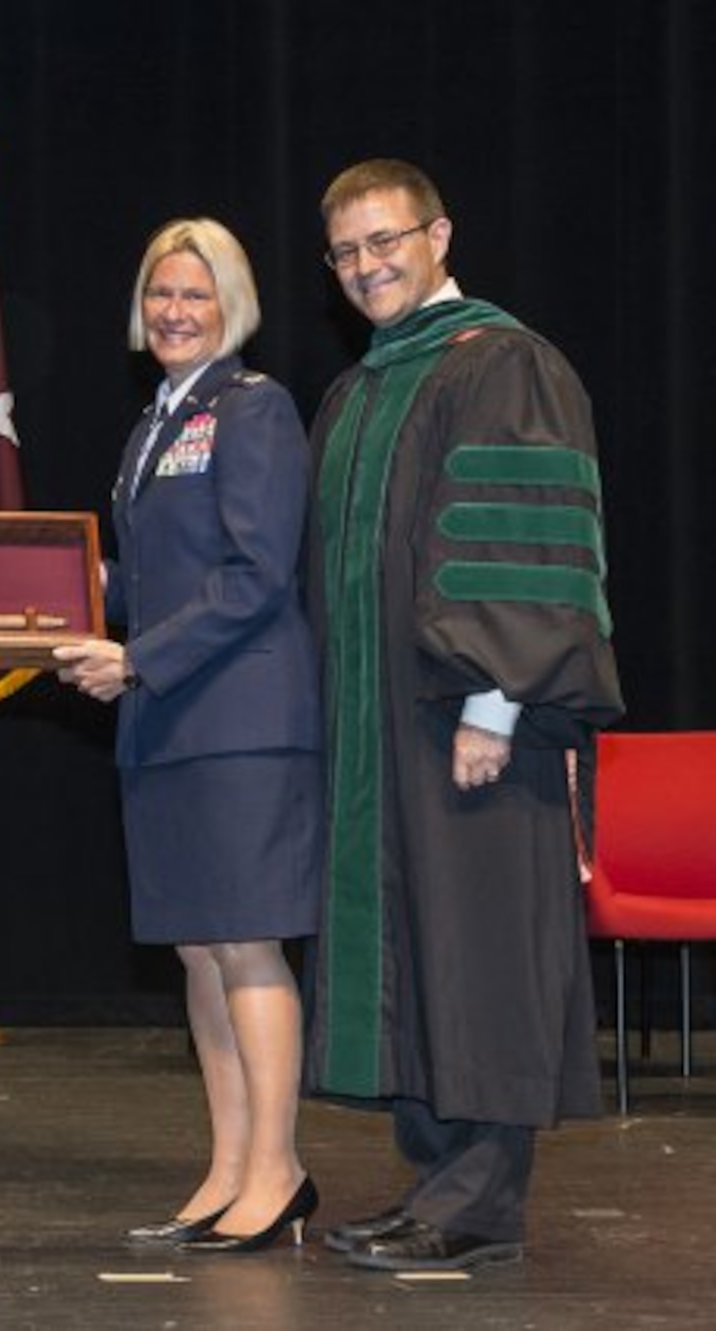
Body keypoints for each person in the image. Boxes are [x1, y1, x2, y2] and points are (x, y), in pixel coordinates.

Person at [305, 159, 622, 1272]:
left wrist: (494, 700)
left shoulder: (502, 362)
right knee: (417, 942)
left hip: (473, 719)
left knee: (479, 948)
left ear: (437, 234)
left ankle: (481, 1201)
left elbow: (522, 542)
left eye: (384, 240)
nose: (365, 266)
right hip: (383, 727)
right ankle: (436, 1176)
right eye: (344, 251)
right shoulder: (358, 388)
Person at [53, 219, 323, 1254]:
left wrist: (133, 657)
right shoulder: (152, 423)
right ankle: (226, 1164)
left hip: (240, 721)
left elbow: (255, 577)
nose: (173, 310)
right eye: (159, 293)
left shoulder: (253, 411)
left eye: (194, 296)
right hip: (166, 719)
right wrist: (41, 598)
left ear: (232, 308)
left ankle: (279, 1168)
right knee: (199, 953)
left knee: (248, 945)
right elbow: (140, 577)